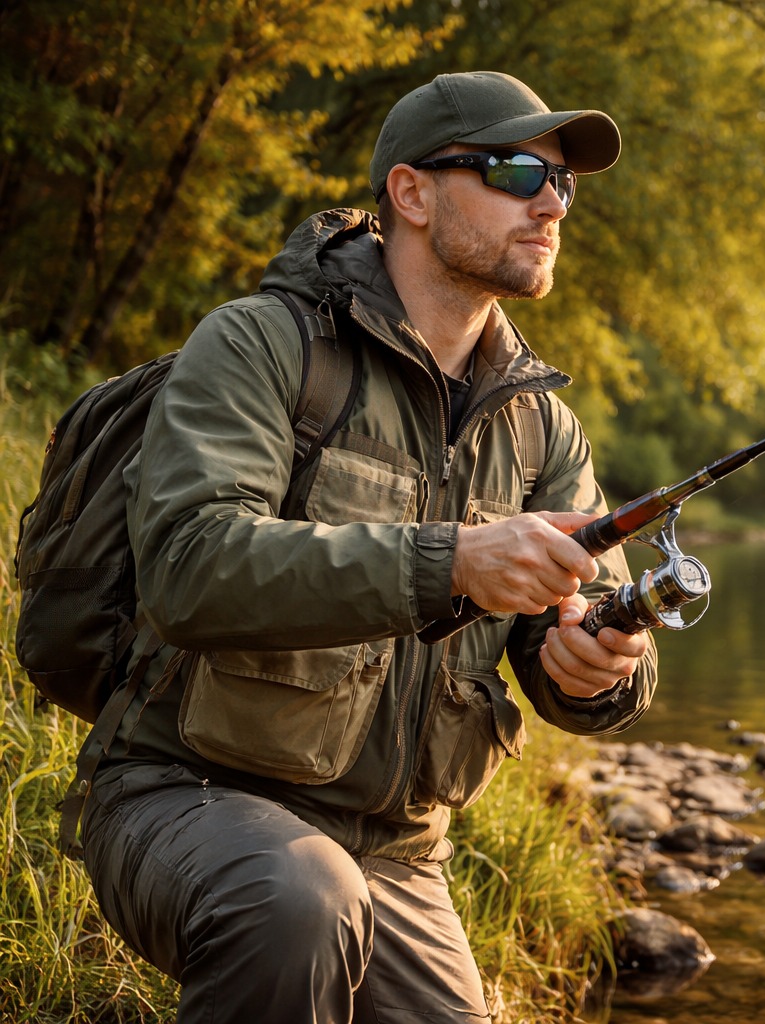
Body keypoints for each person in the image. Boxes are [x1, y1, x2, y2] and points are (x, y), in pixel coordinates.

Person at [77, 71, 657, 1023]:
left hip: (396, 853)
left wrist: (598, 665)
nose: (552, 201)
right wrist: (452, 561)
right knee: (300, 904)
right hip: (182, 792)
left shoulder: (543, 431)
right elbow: (187, 567)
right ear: (412, 193)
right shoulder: (261, 346)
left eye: (564, 184)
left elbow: (587, 666)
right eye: (516, 171)